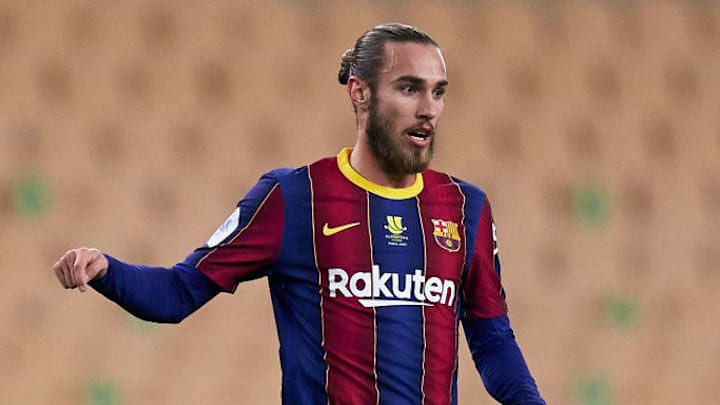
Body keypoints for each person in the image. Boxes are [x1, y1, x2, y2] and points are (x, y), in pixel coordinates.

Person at [53, 23, 545, 404]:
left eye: (438, 91)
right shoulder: (292, 197)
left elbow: (491, 338)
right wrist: (107, 269)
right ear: (360, 92)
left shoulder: (465, 208)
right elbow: (178, 293)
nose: (429, 109)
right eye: (409, 88)